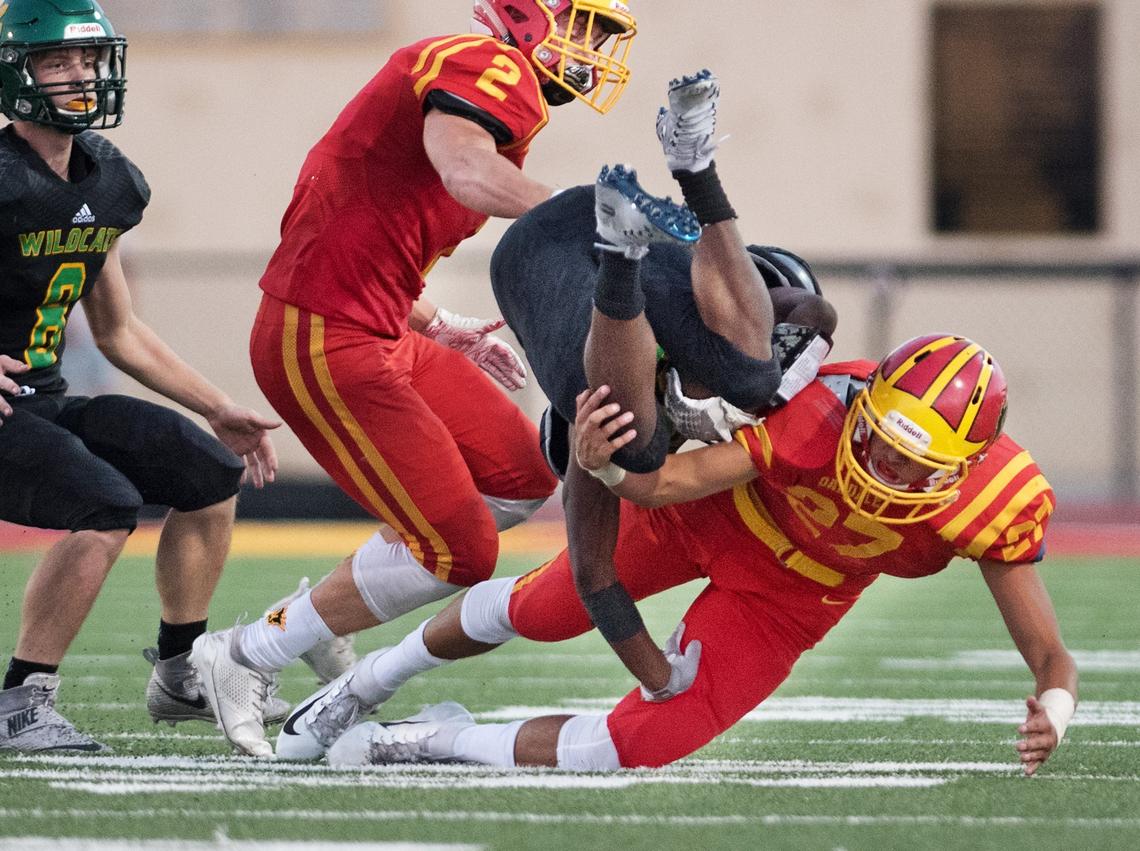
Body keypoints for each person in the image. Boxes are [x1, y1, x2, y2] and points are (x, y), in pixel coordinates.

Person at [272, 73, 840, 761]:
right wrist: (658, 675)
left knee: (721, 392)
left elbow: (817, 330)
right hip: (580, 268)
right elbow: (598, 570)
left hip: (619, 270)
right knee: (669, 425)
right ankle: (367, 681)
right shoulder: (658, 407)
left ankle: (392, 708)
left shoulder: (802, 390)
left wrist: (664, 684)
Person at [190, 0, 640, 757]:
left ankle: (308, 620)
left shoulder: (500, 95)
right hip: (324, 334)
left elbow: (368, 213)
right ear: (531, 14)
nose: (593, 49)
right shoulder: (488, 64)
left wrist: (430, 318)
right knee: (462, 551)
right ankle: (242, 655)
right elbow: (463, 170)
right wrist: (592, 217)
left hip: (381, 325)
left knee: (522, 472)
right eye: (585, 25)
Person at [325, 332, 1075, 778]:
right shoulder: (818, 411)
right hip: (712, 520)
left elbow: (1051, 657)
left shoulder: (992, 503)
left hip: (790, 600)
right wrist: (608, 467)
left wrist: (1057, 707)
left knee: (642, 744)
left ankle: (429, 739)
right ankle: (369, 677)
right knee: (547, 607)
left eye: (909, 463)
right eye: (878, 436)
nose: (880, 464)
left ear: (962, 467)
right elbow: (669, 483)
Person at [0, 0, 281, 752]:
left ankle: (182, 670)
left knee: (208, 470)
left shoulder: (109, 179)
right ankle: (22, 702)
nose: (80, 76)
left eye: (88, 60)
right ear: (16, 71)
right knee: (106, 503)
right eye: (58, 61)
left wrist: (219, 404)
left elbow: (118, 329)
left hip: (40, 401)